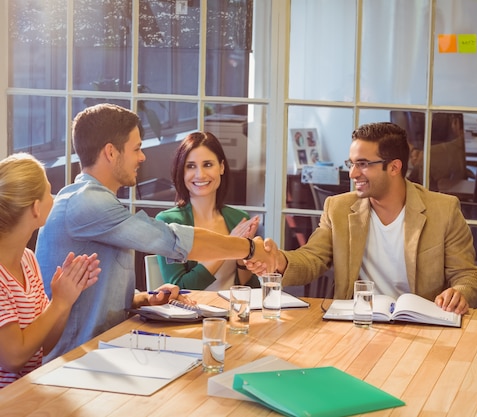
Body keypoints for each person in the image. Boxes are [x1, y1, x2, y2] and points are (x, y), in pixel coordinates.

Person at [35, 104, 275, 361]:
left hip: (106, 351)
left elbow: (97, 296)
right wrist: (249, 248)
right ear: (111, 152)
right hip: (75, 360)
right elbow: (173, 240)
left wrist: (142, 299)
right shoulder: (86, 203)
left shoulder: (95, 201)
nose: (142, 157)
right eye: (136, 148)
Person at [248, 122, 477, 314]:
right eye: (351, 164)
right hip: (357, 321)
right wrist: (279, 260)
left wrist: (460, 292)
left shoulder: (443, 210)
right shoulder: (338, 208)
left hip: (421, 323)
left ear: (394, 167)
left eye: (362, 164)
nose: (352, 173)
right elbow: (312, 258)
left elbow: (468, 275)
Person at [0, 153, 100, 388]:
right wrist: (59, 303)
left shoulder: (28, 259)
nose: (53, 198)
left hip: (27, 396)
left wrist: (65, 298)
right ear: (35, 207)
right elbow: (14, 358)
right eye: (48, 192)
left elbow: (45, 344)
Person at [155, 132, 259, 290]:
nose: (200, 174)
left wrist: (245, 256)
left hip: (233, 311)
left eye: (208, 165)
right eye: (190, 166)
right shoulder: (168, 222)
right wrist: (230, 245)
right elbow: (180, 287)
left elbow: (249, 287)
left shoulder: (239, 218)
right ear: (181, 172)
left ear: (221, 167)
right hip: (192, 312)